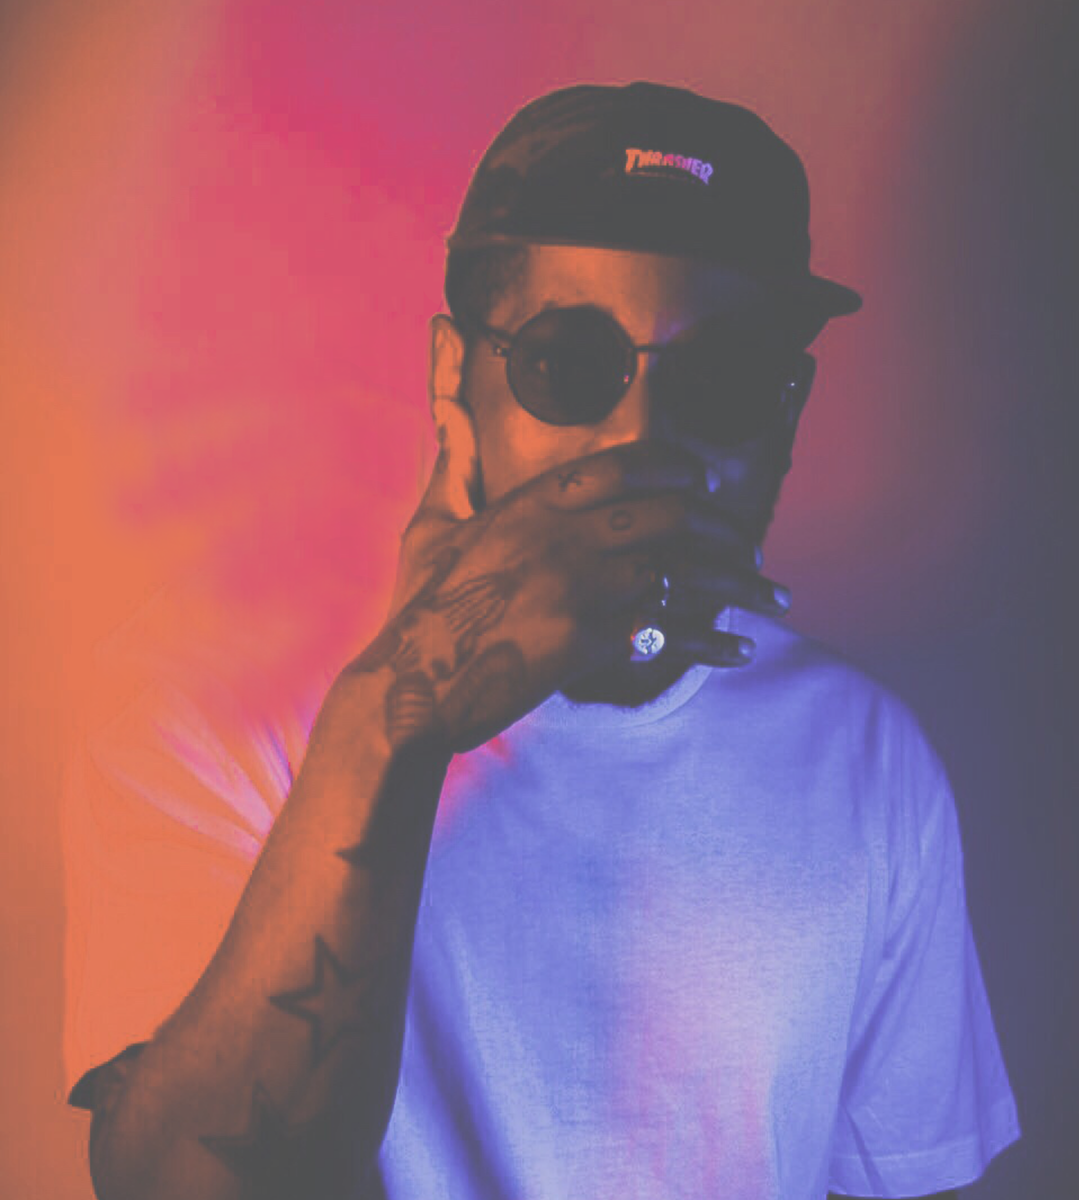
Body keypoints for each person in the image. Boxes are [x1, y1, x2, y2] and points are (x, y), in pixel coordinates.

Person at [64, 82, 1020, 1199]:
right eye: (569, 363)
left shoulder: (866, 759)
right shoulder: (211, 713)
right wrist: (393, 723)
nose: (640, 436)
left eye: (721, 378)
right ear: (451, 379)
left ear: (787, 412)